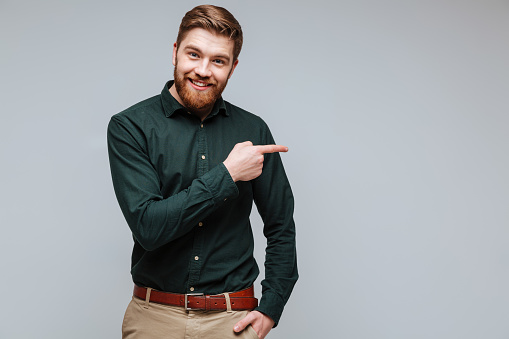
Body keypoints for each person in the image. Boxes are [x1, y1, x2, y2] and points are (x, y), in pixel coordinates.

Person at [107, 5, 297, 339]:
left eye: (218, 61)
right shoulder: (130, 127)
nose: (203, 70)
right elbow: (148, 227)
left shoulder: (254, 130)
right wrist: (228, 173)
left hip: (231, 321)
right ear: (175, 52)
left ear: (233, 67)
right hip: (154, 320)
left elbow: (281, 226)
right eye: (194, 54)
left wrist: (271, 307)